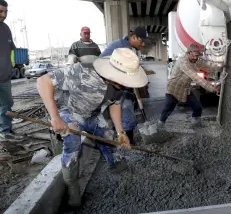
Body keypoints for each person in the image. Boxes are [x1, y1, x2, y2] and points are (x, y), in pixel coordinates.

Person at [37, 48, 148, 208]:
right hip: (68, 113)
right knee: (73, 146)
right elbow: (43, 81)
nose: (125, 84)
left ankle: (115, 166)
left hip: (92, 115)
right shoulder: (82, 70)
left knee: (109, 137)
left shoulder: (119, 86)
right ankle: (72, 189)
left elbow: (114, 104)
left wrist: (120, 132)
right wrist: (55, 117)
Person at [100, 26, 151, 145]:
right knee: (126, 108)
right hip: (113, 83)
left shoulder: (129, 47)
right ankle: (128, 141)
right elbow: (104, 64)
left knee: (124, 107)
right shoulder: (121, 48)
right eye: (141, 41)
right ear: (133, 37)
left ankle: (125, 136)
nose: (143, 44)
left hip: (121, 83)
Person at [157, 44, 220, 130]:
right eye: (194, 56)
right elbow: (195, 77)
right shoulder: (183, 62)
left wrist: (221, 67)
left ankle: (196, 125)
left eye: (197, 56)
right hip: (173, 88)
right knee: (168, 108)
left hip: (185, 89)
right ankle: (159, 127)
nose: (195, 58)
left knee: (197, 107)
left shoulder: (196, 61)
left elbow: (208, 67)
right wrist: (211, 88)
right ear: (188, 53)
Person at [0, 0, 18, 160]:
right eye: (1, 11)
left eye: (6, 11)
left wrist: (21, 58)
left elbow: (12, 49)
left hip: (4, 77)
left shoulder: (6, 29)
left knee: (7, 104)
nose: (4, 14)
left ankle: (6, 131)